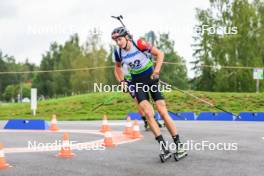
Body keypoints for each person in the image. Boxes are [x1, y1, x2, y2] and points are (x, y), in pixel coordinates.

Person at [112, 26, 186, 159]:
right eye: (115, 40)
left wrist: (156, 71)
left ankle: (179, 144)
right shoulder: (118, 52)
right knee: (148, 113)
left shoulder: (139, 43)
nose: (118, 43)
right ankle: (164, 148)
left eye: (120, 39)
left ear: (127, 37)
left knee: (162, 112)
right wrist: (122, 81)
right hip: (137, 83)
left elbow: (160, 54)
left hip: (150, 78)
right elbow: (117, 68)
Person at [114, 57, 162, 131]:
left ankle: (153, 119)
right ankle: (146, 121)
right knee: (138, 100)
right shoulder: (121, 55)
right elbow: (116, 71)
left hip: (141, 79)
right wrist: (121, 82)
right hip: (130, 82)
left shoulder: (137, 53)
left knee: (147, 101)